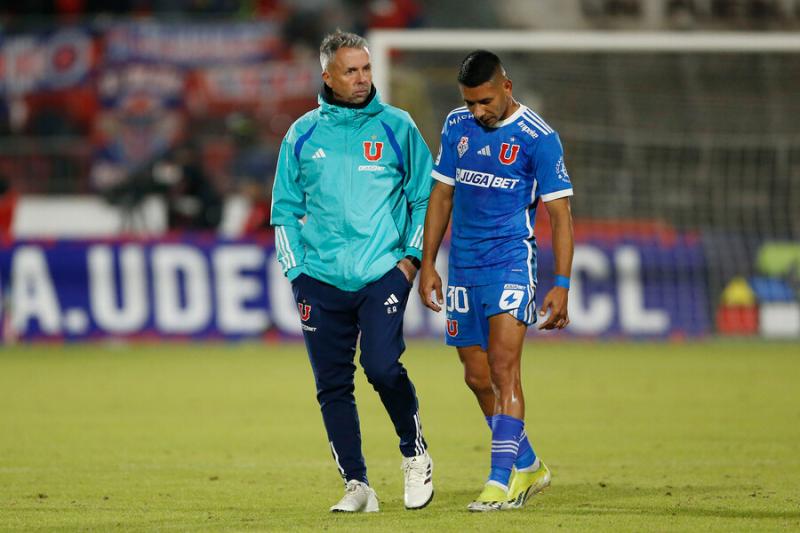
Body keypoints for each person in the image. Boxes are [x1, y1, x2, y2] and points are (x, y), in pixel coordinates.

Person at [271, 30, 434, 513]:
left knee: (382, 367)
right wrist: (296, 270)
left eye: (366, 69)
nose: (363, 78)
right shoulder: (301, 134)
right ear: (327, 76)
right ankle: (357, 485)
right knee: (332, 385)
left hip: (383, 270)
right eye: (351, 70)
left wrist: (411, 259)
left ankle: (415, 452)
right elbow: (283, 210)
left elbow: (424, 195)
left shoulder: (398, 127)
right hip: (318, 279)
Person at [418, 50, 575, 512]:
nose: (477, 112)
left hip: (510, 261)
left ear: (506, 87)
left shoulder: (538, 138)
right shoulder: (455, 126)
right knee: (475, 375)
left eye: (484, 101)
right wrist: (429, 262)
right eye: (469, 103)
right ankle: (527, 463)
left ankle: (500, 480)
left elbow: (560, 215)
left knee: (506, 370)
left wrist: (562, 282)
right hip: (464, 264)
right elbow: (442, 193)